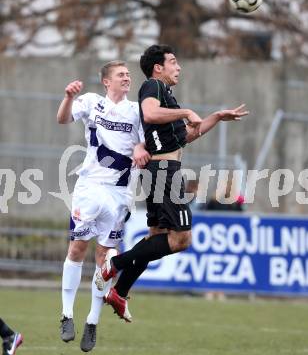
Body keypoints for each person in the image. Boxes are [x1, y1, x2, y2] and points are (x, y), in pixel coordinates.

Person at [95, 44, 249, 320]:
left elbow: (187, 136)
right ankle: (114, 264)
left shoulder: (167, 95)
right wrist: (186, 111)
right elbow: (150, 113)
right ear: (158, 67)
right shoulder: (153, 86)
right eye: (173, 62)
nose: (178, 67)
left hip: (160, 169)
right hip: (165, 171)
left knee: (156, 237)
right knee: (181, 239)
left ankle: (119, 292)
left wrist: (216, 117)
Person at [56, 60, 150, 352]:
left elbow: (148, 144)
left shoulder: (137, 111)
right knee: (77, 248)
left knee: (106, 258)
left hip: (120, 193)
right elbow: (63, 118)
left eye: (128, 74)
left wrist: (139, 147)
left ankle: (92, 321)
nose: (127, 78)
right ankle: (67, 314)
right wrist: (69, 96)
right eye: (121, 75)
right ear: (106, 81)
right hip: (90, 188)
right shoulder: (92, 102)